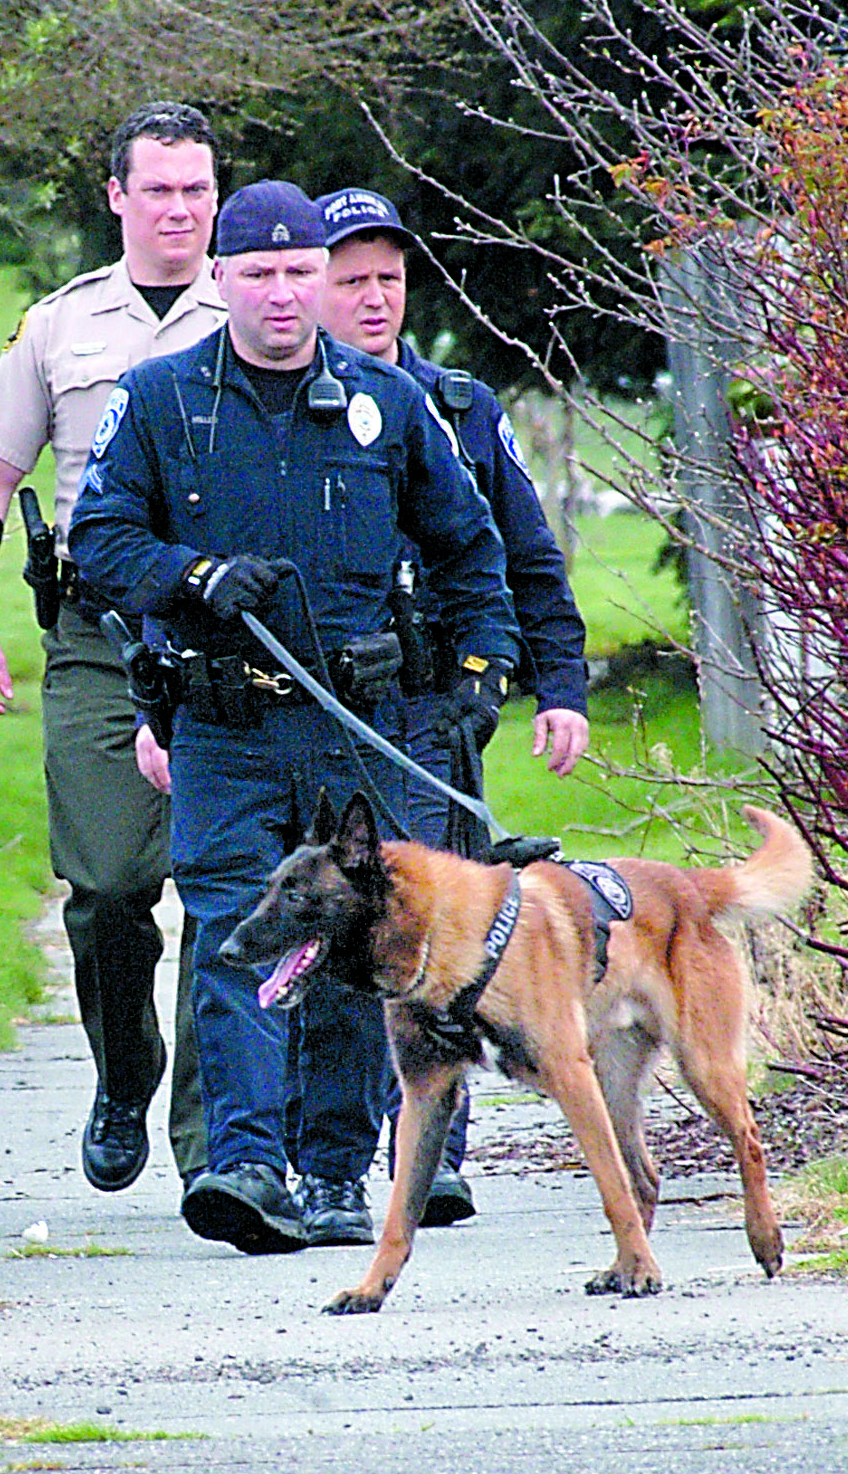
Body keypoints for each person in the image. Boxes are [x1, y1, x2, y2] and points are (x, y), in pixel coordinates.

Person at [68, 179, 521, 1255]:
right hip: (224, 726)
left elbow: (472, 551)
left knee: (354, 947)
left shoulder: (387, 406)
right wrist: (191, 575)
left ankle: (328, 1170)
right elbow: (98, 541)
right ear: (219, 278)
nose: (282, 293)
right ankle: (244, 1162)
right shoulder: (163, 399)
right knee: (235, 929)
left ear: (321, 279)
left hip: (357, 730)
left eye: (299, 271)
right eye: (259, 272)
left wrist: (475, 678)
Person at [0, 102, 224, 1199]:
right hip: (101, 640)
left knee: (228, 884)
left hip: (226, 635)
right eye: (157, 189)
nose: (179, 209)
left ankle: (217, 1141)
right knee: (111, 884)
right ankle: (125, 1072)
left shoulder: (250, 310)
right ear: (116, 197)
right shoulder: (61, 327)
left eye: (196, 189)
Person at [315, 186, 591, 1225]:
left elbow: (525, 556)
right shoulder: (289, 404)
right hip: (332, 704)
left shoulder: (464, 407)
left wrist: (554, 687)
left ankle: (436, 1153)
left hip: (437, 703)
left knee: (450, 930)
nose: (374, 297)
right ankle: (335, 1157)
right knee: (346, 925)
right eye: (353, 279)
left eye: (388, 277)